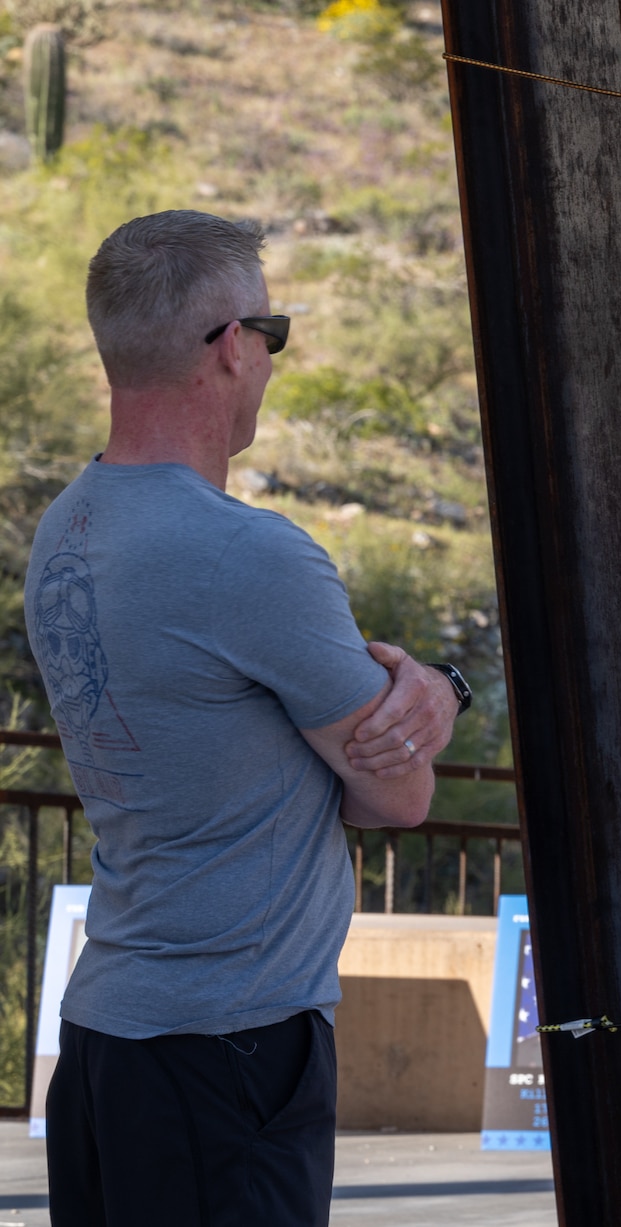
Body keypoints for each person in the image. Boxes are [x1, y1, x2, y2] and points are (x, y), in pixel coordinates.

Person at [29, 210, 470, 1227]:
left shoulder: (65, 531)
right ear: (231, 346)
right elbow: (399, 796)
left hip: (104, 1043)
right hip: (232, 1053)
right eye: (271, 332)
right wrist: (436, 689)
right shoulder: (250, 556)